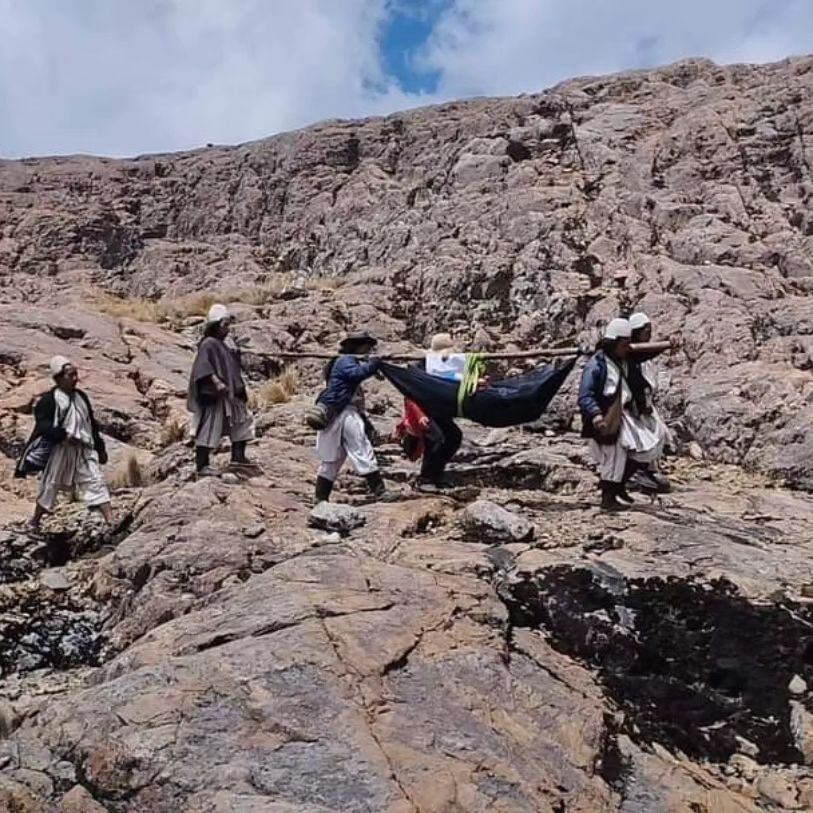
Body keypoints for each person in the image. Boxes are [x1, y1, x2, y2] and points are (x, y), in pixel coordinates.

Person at [578, 318, 667, 511]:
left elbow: (644, 354)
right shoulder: (596, 365)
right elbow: (586, 395)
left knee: (644, 448)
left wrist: (666, 346)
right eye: (624, 344)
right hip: (606, 415)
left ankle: (618, 488)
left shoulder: (623, 360)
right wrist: (596, 416)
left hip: (623, 413)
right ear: (614, 342)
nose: (627, 348)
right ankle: (608, 499)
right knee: (613, 457)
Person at [18, 356, 112, 535]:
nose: (76, 378)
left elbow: (90, 423)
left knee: (95, 480)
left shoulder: (81, 397)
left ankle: (110, 521)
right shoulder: (49, 400)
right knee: (50, 485)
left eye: (76, 374)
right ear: (59, 378)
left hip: (84, 449)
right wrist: (64, 435)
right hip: (61, 449)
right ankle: (34, 522)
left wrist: (100, 448)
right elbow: (43, 425)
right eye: (71, 375)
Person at [313, 331, 393, 503]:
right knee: (360, 448)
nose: (369, 350)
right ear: (359, 346)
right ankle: (380, 491)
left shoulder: (342, 361)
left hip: (335, 412)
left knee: (333, 457)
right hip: (343, 412)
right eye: (367, 347)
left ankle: (320, 498)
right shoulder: (345, 361)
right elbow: (357, 374)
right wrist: (375, 362)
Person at [187, 303, 254, 478]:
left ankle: (238, 457)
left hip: (231, 393)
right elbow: (204, 366)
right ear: (216, 325)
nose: (228, 329)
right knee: (209, 428)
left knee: (242, 421)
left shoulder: (221, 345)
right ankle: (202, 466)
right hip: (216, 396)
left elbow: (228, 364)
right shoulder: (208, 344)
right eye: (225, 325)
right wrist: (217, 383)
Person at [393, 333, 463, 491]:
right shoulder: (421, 368)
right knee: (435, 439)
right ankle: (425, 479)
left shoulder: (448, 366)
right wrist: (420, 416)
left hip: (438, 411)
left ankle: (437, 473)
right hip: (423, 411)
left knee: (454, 436)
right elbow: (410, 394)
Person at [628, 311, 672, 492]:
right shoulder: (629, 354)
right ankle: (633, 474)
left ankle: (647, 470)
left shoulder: (642, 355)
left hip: (644, 404)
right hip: (632, 406)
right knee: (637, 440)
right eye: (646, 330)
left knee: (657, 434)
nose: (649, 333)